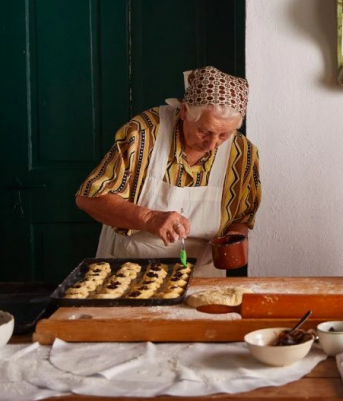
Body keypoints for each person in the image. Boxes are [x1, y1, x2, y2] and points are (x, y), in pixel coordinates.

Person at [76, 66, 261, 277]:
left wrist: (236, 237)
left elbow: (242, 218)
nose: (212, 144)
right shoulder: (145, 134)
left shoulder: (242, 153)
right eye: (204, 131)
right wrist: (149, 218)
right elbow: (89, 198)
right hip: (130, 270)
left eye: (223, 135)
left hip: (202, 277)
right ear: (184, 111)